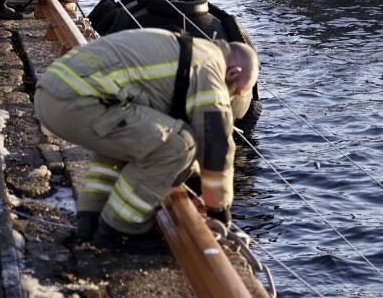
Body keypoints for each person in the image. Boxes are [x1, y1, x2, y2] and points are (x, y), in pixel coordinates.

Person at [33, 29, 259, 252]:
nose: (230, 98)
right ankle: (120, 229)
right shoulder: (210, 68)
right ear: (233, 73)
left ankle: (91, 219)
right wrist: (219, 210)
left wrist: (194, 180)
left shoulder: (191, 51)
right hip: (75, 99)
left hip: (54, 92)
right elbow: (214, 144)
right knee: (180, 145)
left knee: (136, 139)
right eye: (235, 92)